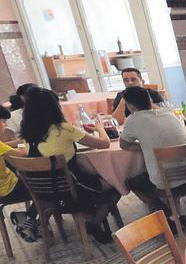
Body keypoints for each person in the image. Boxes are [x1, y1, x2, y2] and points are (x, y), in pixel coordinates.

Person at [16, 87, 118, 243]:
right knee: (117, 185)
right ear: (54, 107)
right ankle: (94, 222)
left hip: (44, 193)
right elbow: (104, 144)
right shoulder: (63, 129)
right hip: (73, 190)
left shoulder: (28, 135)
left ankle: (88, 214)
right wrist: (100, 128)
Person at [118, 86, 186, 227]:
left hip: (164, 181)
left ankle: (168, 217)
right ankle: (174, 213)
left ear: (130, 105)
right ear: (149, 99)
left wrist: (146, 146)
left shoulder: (133, 120)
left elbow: (124, 145)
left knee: (133, 182)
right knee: (163, 173)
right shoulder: (169, 114)